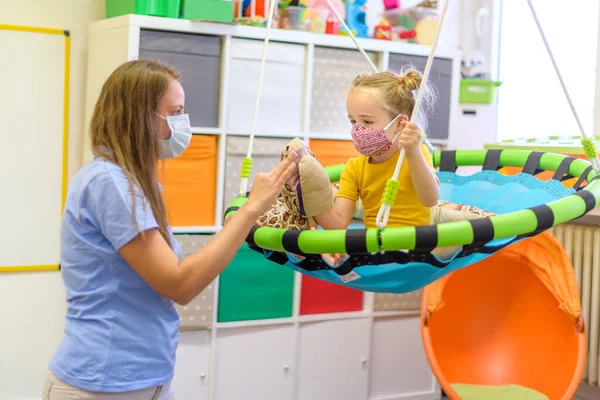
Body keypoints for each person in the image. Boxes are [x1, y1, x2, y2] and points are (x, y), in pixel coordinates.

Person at [42, 59, 299, 399]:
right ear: (139, 117)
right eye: (175, 112)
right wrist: (251, 209)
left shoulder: (134, 182)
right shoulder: (110, 183)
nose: (183, 123)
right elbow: (179, 283)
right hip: (102, 383)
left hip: (145, 379)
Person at [315, 68, 491, 264]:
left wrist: (414, 152)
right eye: (353, 121)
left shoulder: (416, 154)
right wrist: (311, 200)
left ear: (400, 123)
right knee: (330, 255)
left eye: (367, 121)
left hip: (420, 250)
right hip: (377, 251)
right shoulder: (354, 168)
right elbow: (338, 224)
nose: (358, 130)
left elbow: (430, 199)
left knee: (468, 234)